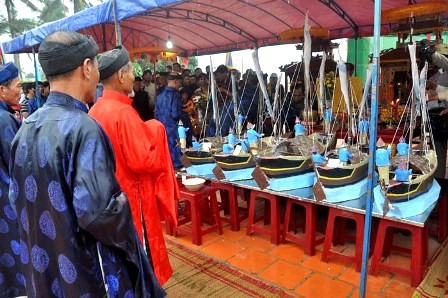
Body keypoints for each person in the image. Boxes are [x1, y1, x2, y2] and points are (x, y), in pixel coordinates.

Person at [9, 30, 165, 297]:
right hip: (82, 269)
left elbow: (16, 198)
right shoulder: (83, 128)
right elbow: (99, 212)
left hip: (42, 263)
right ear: (87, 67)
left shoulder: (25, 128)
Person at [89, 45, 177, 286]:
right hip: (132, 198)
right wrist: (154, 129)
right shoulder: (123, 113)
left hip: (109, 197)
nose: (133, 78)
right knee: (141, 256)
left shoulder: (95, 110)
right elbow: (142, 160)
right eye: (130, 73)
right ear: (120, 75)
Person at [0, 62, 26, 298]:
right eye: (17, 86)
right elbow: (17, 163)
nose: (21, 90)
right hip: (8, 200)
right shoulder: (4, 121)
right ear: (2, 90)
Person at [155, 72, 183, 169]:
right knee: (176, 151)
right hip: (173, 127)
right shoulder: (175, 95)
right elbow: (175, 113)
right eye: (179, 83)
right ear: (175, 82)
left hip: (162, 127)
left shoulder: (159, 95)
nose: (180, 85)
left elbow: (156, 114)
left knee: (166, 150)